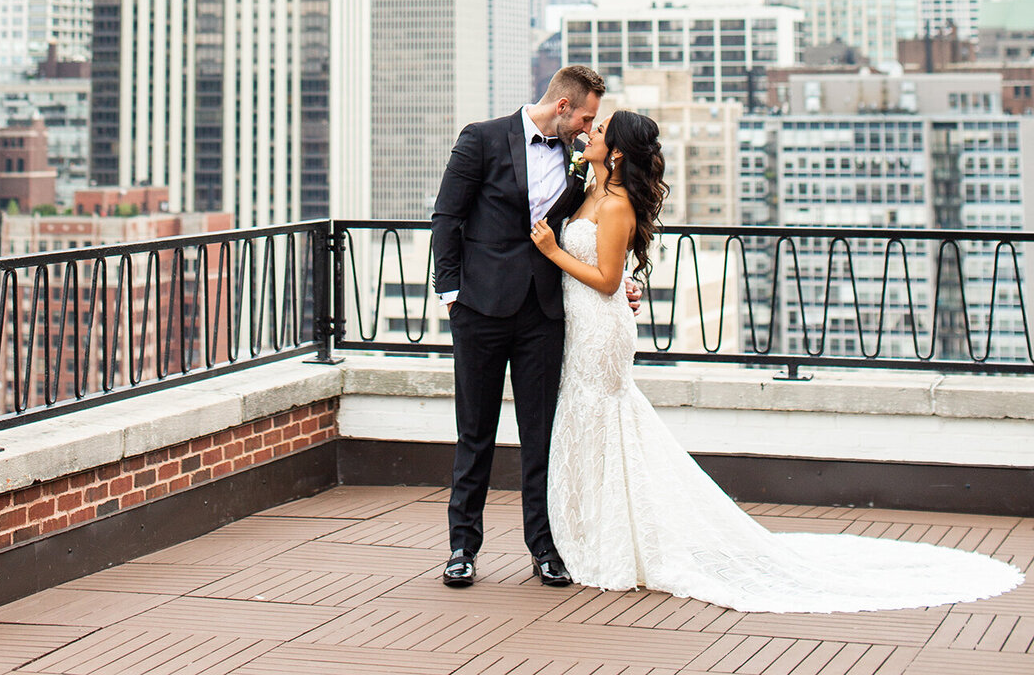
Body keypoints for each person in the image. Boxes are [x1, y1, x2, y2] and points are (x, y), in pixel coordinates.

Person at [529, 108, 1024, 610]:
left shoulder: (615, 205)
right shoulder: (590, 188)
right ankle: (592, 532)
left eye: (597, 130)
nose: (586, 133)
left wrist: (552, 250)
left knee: (604, 420)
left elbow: (609, 281)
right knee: (585, 423)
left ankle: (615, 540)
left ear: (615, 150)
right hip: (581, 326)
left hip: (601, 330)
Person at [432, 65, 629, 588]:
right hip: (479, 311)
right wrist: (452, 295)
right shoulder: (481, 138)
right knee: (475, 433)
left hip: (544, 314)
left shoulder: (578, 160)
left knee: (541, 436)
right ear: (563, 106)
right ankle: (461, 548)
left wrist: (625, 280)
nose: (590, 130)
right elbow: (446, 216)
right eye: (586, 117)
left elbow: (597, 222)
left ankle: (544, 548)